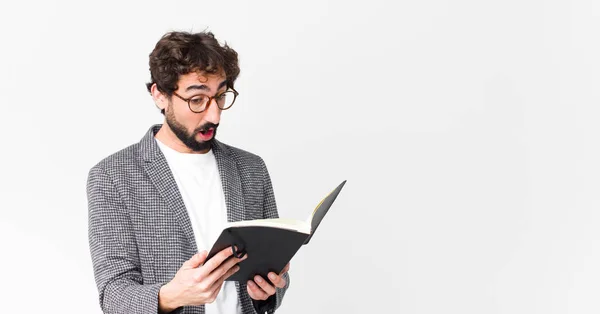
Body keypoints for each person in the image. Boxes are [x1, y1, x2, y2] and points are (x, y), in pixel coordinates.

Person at [86, 31, 290, 314]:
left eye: (220, 96)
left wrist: (267, 292)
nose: (214, 115)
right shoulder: (113, 177)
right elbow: (113, 295)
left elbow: (274, 275)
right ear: (160, 95)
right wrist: (171, 296)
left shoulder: (251, 169)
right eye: (197, 100)